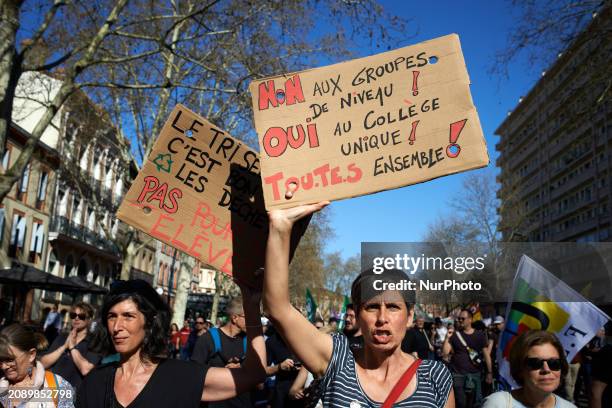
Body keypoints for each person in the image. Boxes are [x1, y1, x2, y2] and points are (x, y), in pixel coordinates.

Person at [264, 200, 454, 407]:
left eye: (393, 307)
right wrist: (280, 228)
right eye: (371, 307)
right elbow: (278, 308)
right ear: (358, 315)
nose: (382, 318)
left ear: (409, 316)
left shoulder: (436, 377)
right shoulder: (337, 360)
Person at [75, 279, 266, 407]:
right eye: (111, 316)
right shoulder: (94, 381)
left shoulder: (180, 376)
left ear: (150, 322)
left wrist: (251, 309)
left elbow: (253, 374)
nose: (117, 326)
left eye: (128, 316)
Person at [483, 330, 575, 407]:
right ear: (520, 370)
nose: (546, 369)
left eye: (554, 363)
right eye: (535, 363)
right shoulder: (498, 404)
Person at [191, 296, 251, 407]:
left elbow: (258, 380)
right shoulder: (207, 339)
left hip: (243, 403)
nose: (252, 321)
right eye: (249, 317)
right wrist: (224, 373)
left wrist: (242, 369)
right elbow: (194, 375)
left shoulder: (250, 341)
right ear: (235, 318)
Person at [0, 323, 74, 407]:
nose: (4, 366)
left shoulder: (59, 386)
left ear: (31, 355)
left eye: (10, 360)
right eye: (0, 360)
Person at [40, 302, 101, 389]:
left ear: (89, 319)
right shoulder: (62, 337)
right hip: (52, 390)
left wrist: (72, 347)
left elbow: (86, 370)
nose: (76, 318)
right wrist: (64, 346)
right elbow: (43, 363)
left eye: (82, 316)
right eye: (73, 315)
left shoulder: (94, 342)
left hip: (75, 394)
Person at [443, 309, 492, 408]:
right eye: (459, 318)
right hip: (458, 374)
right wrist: (447, 338)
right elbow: (445, 353)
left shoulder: (479, 335)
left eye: (462, 318)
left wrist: (489, 373)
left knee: (475, 403)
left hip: (475, 374)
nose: (460, 320)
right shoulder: (454, 335)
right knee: (461, 402)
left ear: (470, 319)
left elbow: (486, 354)